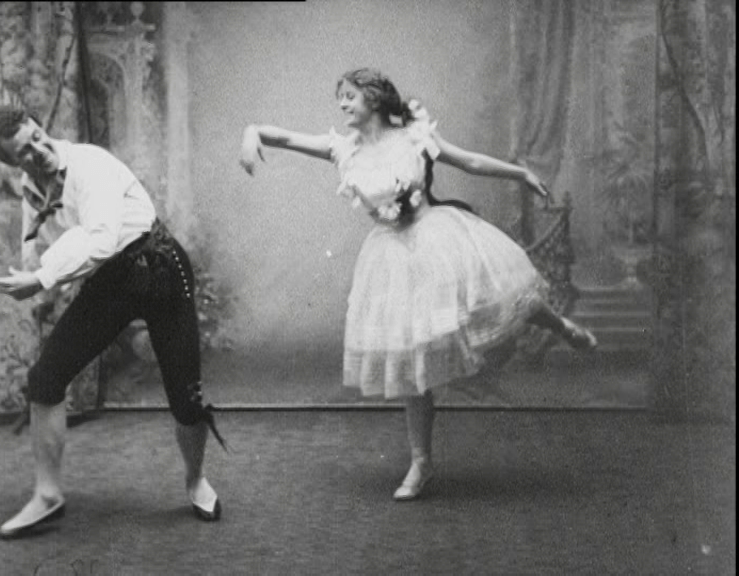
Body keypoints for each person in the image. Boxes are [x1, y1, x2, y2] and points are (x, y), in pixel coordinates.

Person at [240, 67, 597, 501]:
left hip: (437, 238)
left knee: (504, 294)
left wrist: (519, 174)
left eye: (350, 95)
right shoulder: (342, 148)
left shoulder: (414, 135)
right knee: (414, 361)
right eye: (340, 97)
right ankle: (421, 461)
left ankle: (561, 326)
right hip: (391, 258)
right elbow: (283, 137)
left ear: (374, 97)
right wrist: (252, 134)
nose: (343, 104)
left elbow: (468, 161)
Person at [0, 105, 225, 539]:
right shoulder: (32, 188)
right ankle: (47, 494)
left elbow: (100, 238)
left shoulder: (89, 163)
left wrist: (42, 278)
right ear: (12, 163)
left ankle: (196, 480)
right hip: (111, 280)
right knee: (45, 378)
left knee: (186, 399)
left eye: (37, 136)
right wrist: (33, 274)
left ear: (41, 127)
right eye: (24, 152)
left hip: (159, 268)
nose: (39, 150)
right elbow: (37, 244)